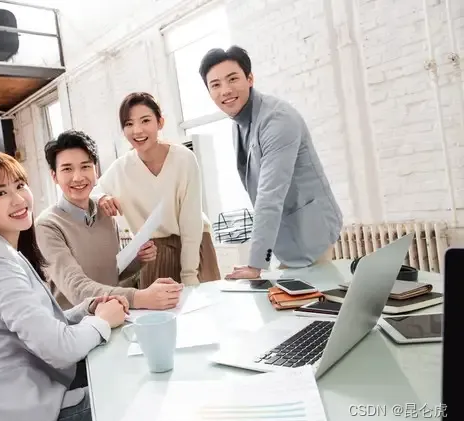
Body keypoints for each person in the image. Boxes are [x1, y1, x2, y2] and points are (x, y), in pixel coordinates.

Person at [0, 151, 128, 421]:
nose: (19, 200)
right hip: (27, 415)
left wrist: (88, 309)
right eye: (0, 193)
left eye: (20, 185)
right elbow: (59, 348)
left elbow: (43, 325)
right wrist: (102, 321)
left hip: (39, 392)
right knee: (134, 396)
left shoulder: (3, 250)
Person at [198, 45, 343, 279]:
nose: (225, 90)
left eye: (232, 79)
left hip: (311, 232)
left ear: (250, 79)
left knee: (318, 298)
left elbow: (269, 194)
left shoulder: (277, 119)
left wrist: (255, 264)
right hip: (287, 238)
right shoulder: (239, 122)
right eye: (215, 85)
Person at [36, 130, 184, 311]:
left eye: (85, 166)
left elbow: (111, 274)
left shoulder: (105, 214)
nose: (78, 177)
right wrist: (140, 297)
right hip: (77, 324)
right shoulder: (47, 225)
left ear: (96, 170)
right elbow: (76, 289)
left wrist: (138, 260)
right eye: (67, 169)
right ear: (54, 176)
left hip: (115, 315)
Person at [96, 92, 221, 288]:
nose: (137, 130)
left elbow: (191, 221)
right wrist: (101, 197)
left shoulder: (184, 159)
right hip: (154, 253)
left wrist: (189, 273)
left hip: (194, 244)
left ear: (160, 122)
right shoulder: (121, 168)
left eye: (145, 120)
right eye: (129, 124)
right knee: (161, 307)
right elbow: (93, 193)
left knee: (201, 303)